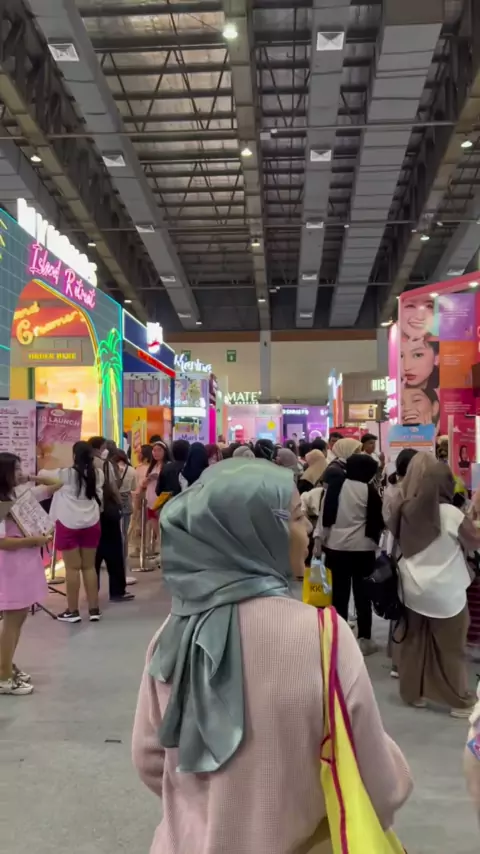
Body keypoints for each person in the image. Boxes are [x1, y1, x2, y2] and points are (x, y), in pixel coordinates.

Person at [132, 459, 412, 853]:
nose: (308, 529)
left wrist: (208, 807)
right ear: (256, 532)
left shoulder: (173, 633)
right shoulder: (323, 636)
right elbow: (376, 780)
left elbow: (149, 757)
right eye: (296, 517)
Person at [387, 452, 480, 716]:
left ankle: (412, 693)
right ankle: (458, 701)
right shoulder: (451, 514)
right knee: (451, 648)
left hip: (411, 589)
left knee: (414, 642)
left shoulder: (406, 508)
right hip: (446, 593)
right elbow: (473, 541)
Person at [0, 454, 62, 694]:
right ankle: (4, 676)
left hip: (26, 563)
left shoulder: (20, 494)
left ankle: (6, 665)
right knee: (12, 622)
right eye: (15, 469)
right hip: (12, 566)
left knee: (18, 620)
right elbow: (2, 543)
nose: (20, 472)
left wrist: (30, 477)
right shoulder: (2, 503)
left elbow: (58, 483)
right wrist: (33, 541)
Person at [320, 453, 383, 656]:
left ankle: (338, 637)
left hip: (336, 547)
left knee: (339, 594)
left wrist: (319, 542)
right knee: (363, 595)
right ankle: (365, 638)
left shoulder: (336, 486)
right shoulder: (369, 490)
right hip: (363, 549)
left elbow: (324, 516)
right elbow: (378, 521)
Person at [50, 441, 106, 623]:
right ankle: (94, 609)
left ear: (74, 455)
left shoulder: (65, 474)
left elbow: (43, 475)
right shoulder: (98, 474)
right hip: (92, 522)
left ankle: (73, 611)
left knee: (72, 569)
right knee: (89, 567)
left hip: (68, 524)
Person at [111, 449, 137, 578]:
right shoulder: (131, 470)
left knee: (113, 532)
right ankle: (123, 557)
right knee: (124, 533)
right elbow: (133, 487)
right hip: (126, 501)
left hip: (112, 502)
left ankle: (114, 558)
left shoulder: (110, 469)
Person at [143, 441, 170, 554]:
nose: (156, 453)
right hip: (150, 500)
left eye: (159, 450)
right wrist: (148, 479)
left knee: (163, 529)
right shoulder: (152, 466)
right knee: (155, 529)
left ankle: (164, 552)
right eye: (154, 450)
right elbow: (143, 484)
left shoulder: (168, 466)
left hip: (162, 501)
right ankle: (159, 551)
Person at [129, 444, 152, 558]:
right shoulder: (145, 468)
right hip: (143, 499)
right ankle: (144, 547)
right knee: (144, 524)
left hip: (140, 499)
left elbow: (139, 486)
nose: (137, 455)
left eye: (139, 453)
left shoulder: (142, 469)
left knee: (139, 524)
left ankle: (140, 548)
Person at [155, 439, 190, 504]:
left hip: (169, 504)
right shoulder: (190, 467)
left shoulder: (165, 468)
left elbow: (158, 491)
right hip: (186, 503)